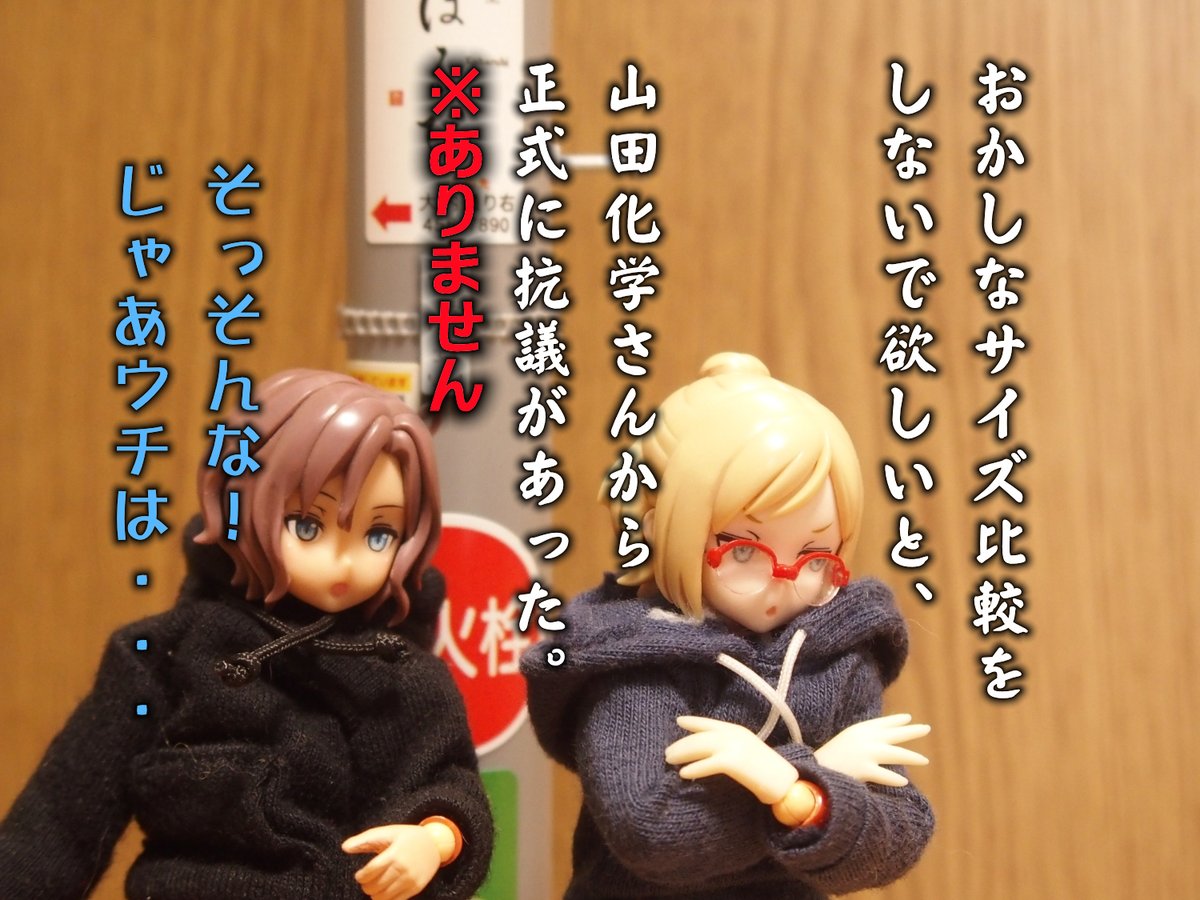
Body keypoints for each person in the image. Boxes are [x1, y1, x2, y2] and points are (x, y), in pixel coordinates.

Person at [0, 370, 493, 900]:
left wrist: (432, 840)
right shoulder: (166, 658)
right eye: (307, 526)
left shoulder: (403, 678)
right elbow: (63, 816)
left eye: (379, 534)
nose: (344, 561)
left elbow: (449, 788)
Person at [523, 353, 934, 899]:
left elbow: (902, 828)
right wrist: (800, 779)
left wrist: (800, 792)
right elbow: (648, 829)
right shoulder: (632, 661)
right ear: (663, 532)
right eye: (743, 551)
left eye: (815, 556)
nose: (783, 580)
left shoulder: (838, 656)